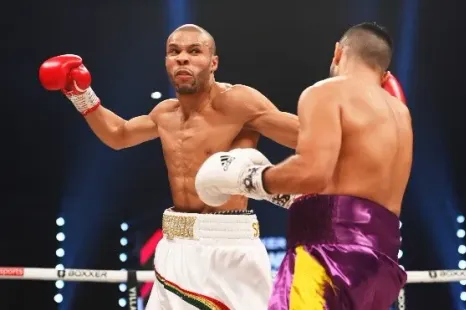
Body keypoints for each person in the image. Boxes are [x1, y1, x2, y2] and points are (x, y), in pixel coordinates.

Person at [38, 24, 300, 310]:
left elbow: (305, 136)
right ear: (166, 62)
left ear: (213, 63)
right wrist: (80, 94)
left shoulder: (237, 102)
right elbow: (120, 134)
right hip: (173, 247)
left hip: (227, 247)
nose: (182, 58)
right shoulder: (165, 114)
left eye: (194, 51)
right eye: (174, 52)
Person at [195, 22, 412, 310]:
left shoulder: (326, 92)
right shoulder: (401, 115)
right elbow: (353, 194)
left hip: (328, 260)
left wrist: (249, 179)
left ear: (338, 52)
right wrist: (290, 195)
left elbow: (312, 172)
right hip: (383, 265)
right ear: (383, 72)